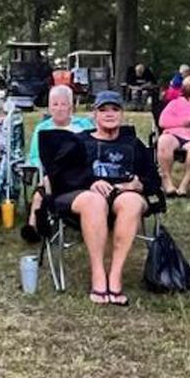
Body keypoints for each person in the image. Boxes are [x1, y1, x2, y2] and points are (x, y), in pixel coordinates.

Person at [52, 90, 160, 306]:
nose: (109, 114)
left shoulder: (133, 144)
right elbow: (60, 174)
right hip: (85, 196)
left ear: (122, 114)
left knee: (131, 201)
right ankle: (98, 275)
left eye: (114, 109)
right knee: (95, 201)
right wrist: (89, 181)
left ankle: (115, 275)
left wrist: (138, 184)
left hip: (124, 196)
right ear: (94, 115)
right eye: (103, 110)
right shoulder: (79, 142)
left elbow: (153, 180)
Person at [21, 85, 96, 243]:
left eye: (63, 104)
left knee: (46, 185)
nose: (59, 108)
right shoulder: (42, 128)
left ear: (71, 107)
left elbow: (94, 151)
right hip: (53, 175)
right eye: (55, 104)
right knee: (39, 193)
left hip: (80, 175)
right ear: (49, 107)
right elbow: (35, 156)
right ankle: (33, 228)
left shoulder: (84, 126)